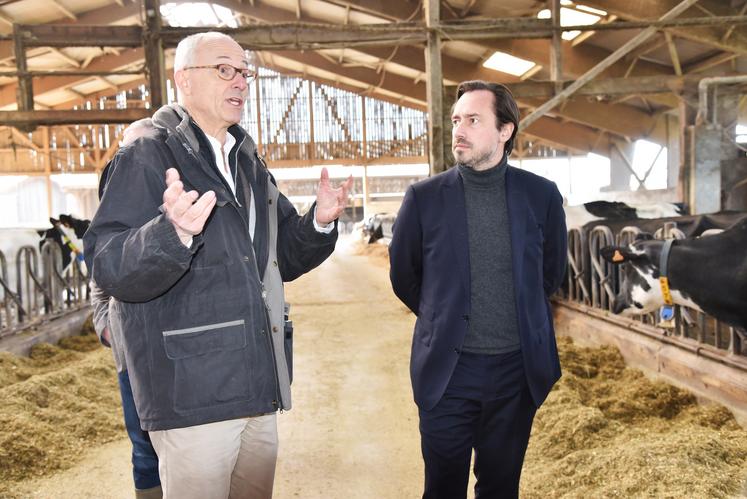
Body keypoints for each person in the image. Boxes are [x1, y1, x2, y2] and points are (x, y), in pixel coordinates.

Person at [83, 32, 352, 499]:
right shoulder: (148, 154)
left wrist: (320, 222)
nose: (241, 82)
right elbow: (108, 261)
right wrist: (172, 233)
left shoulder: (247, 162)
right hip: (193, 392)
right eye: (224, 70)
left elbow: (282, 255)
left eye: (245, 72)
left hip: (257, 380)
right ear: (183, 80)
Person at [388, 80, 567, 498]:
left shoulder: (541, 196)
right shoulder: (424, 198)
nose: (459, 130)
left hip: (515, 373)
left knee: (502, 487)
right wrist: (442, 314)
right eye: (456, 120)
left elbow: (550, 274)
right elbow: (404, 277)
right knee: (443, 488)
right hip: (449, 374)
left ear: (505, 131)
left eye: (473, 120)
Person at [90, 118, 162, 499]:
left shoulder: (172, 203)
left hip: (172, 350)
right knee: (144, 449)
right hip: (130, 354)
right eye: (127, 149)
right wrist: (107, 328)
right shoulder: (113, 206)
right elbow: (99, 278)